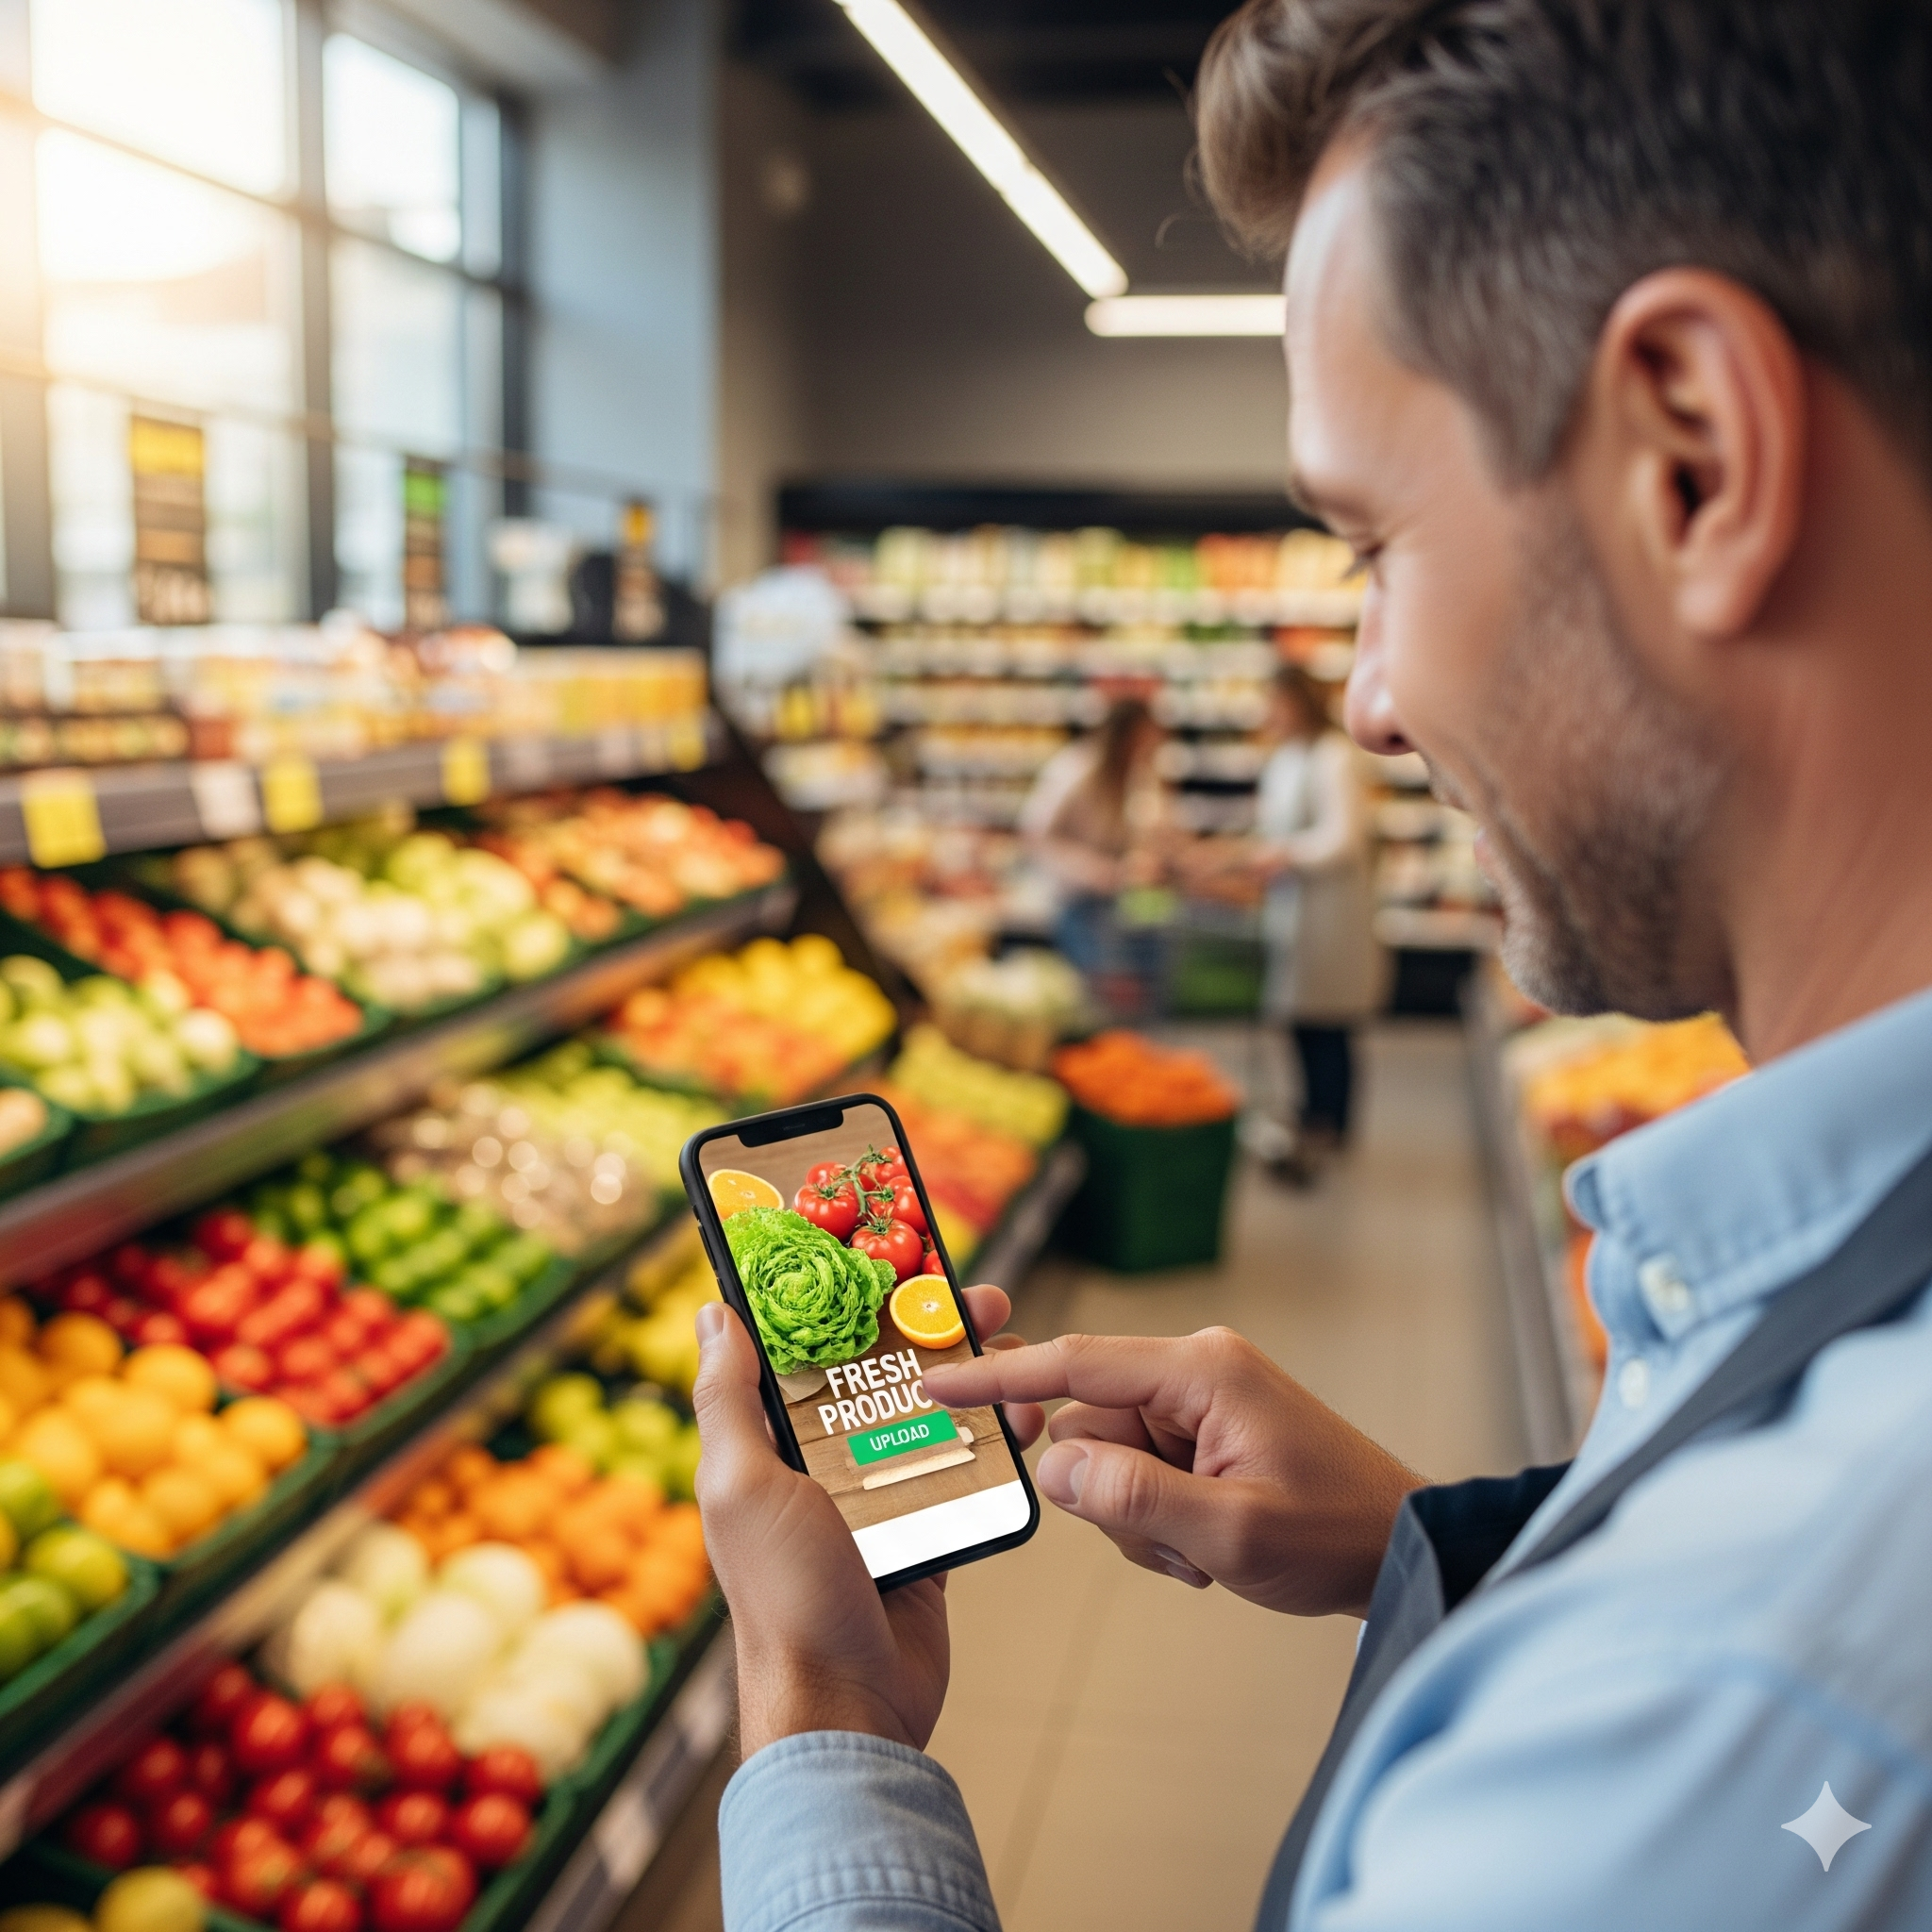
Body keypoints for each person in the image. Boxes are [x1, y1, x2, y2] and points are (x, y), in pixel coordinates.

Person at [692, 3, 1932, 1927]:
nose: (1363, 701)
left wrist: (820, 1712)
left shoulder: (1732, 1689)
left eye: (1370, 545)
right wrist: (1443, 1545)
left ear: (1691, 456)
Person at [1241, 662, 1386, 1177]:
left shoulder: (1334, 758)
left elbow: (1344, 839)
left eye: (1277, 703)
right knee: (1300, 1018)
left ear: (1301, 703)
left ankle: (1332, 1123)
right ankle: (1310, 1115)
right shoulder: (1287, 758)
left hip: (1331, 913)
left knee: (1329, 1021)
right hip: (1295, 908)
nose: (1269, 714)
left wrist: (1286, 854)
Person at [1017, 694, 1172, 1013]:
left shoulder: (1138, 774)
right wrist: (1095, 870)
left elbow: (1151, 827)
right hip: (1071, 899)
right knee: (1094, 988)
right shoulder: (1075, 770)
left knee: (1140, 969)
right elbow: (1036, 835)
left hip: (1119, 899)